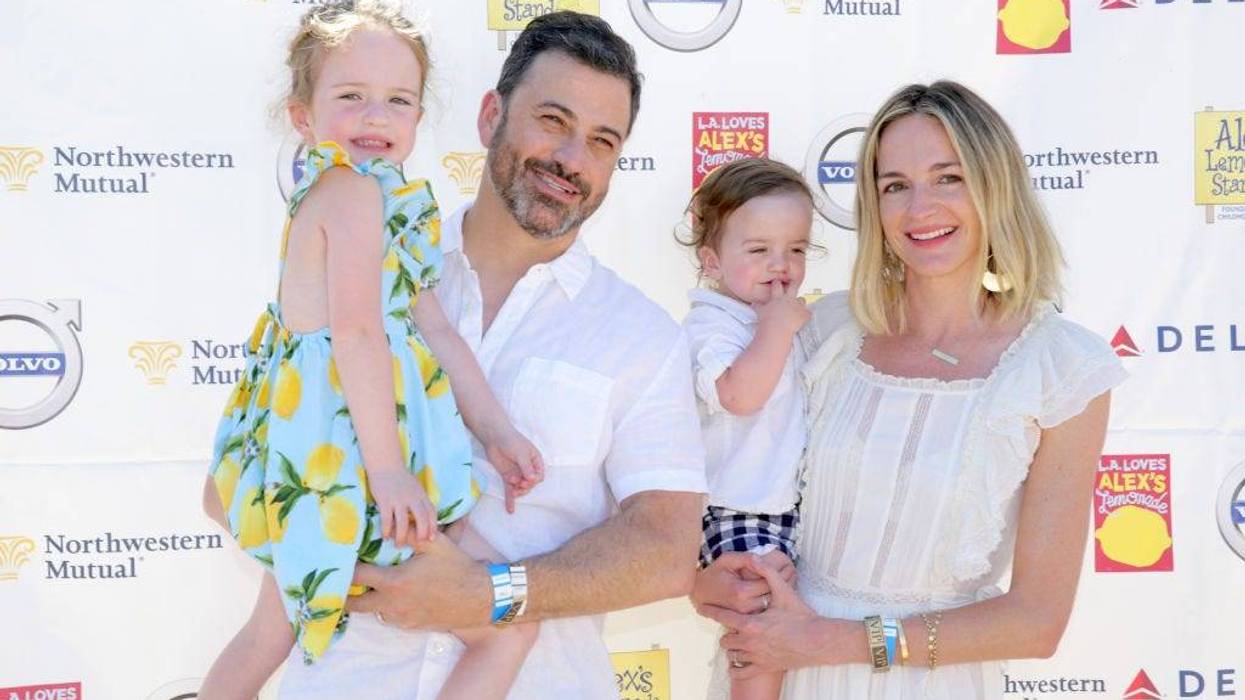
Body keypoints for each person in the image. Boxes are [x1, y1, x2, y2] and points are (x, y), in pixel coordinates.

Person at [276, 10, 708, 700]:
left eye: (602, 142)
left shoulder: (642, 336)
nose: (572, 159)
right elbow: (255, 452)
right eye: (552, 121)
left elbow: (664, 551)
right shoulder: (366, 262)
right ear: (488, 118)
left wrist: (490, 595)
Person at [694, 80, 1127, 699]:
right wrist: (702, 580)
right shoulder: (821, 330)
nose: (919, 207)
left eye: (948, 178)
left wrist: (832, 641)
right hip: (781, 671)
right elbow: (725, 465)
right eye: (895, 185)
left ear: (994, 185)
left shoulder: (1063, 368)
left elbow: (1036, 622)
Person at [199, 2, 547, 698]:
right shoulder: (348, 194)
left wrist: (497, 431)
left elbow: (436, 332)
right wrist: (387, 475)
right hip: (347, 469)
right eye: (350, 97)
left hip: (328, 460)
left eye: (397, 101)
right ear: (304, 116)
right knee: (506, 628)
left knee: (270, 630)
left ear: (419, 117)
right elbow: (355, 333)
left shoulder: (386, 202)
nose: (375, 118)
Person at [677, 158, 813, 700]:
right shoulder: (712, 323)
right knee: (761, 620)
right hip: (737, 508)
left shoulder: (776, 317)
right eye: (758, 251)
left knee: (784, 628)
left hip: (785, 508)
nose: (780, 266)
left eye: (797, 249)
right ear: (712, 260)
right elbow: (738, 394)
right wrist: (776, 330)